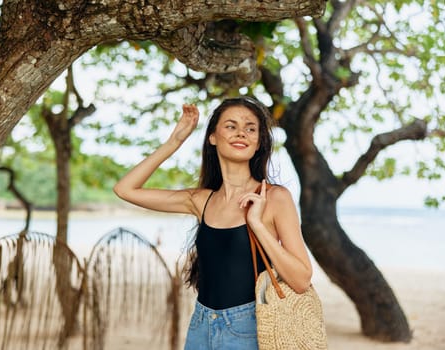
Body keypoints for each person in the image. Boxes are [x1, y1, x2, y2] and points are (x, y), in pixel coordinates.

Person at [113, 96, 312, 350]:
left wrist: (258, 225)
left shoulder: (274, 197)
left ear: (259, 142)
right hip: (201, 325)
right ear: (213, 137)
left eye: (251, 128)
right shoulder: (200, 200)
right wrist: (174, 141)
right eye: (231, 126)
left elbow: (301, 279)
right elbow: (125, 189)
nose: (241, 133)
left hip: (249, 328)